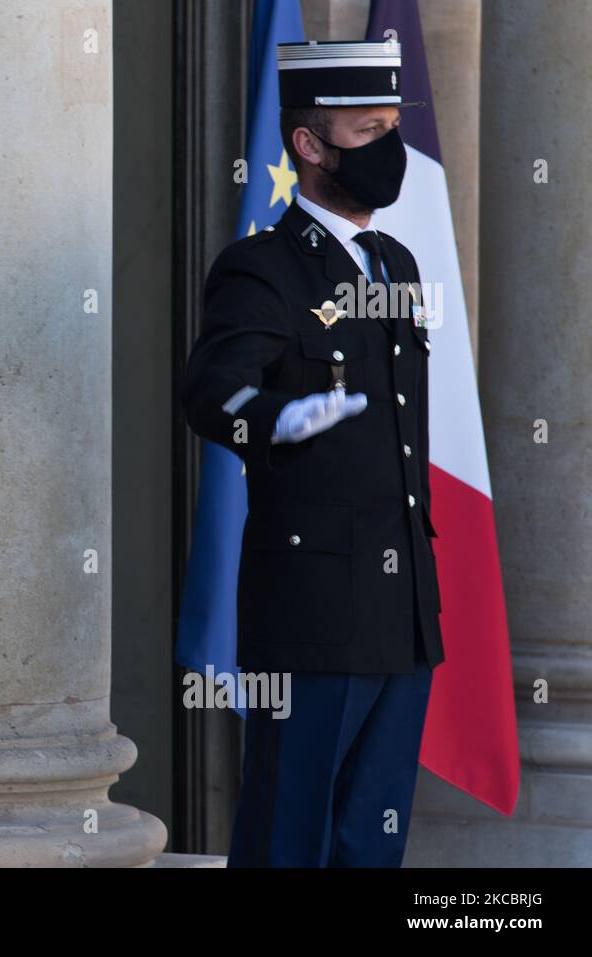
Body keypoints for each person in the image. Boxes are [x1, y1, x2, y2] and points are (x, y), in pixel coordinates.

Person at [182, 40, 442, 866]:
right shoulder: (264, 268)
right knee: (287, 837)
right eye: (368, 129)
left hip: (402, 611)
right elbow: (210, 393)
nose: (388, 146)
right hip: (314, 611)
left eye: (393, 126)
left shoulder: (394, 261)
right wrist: (276, 418)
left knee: (372, 838)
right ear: (309, 145)